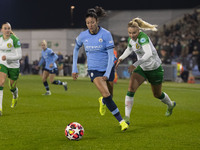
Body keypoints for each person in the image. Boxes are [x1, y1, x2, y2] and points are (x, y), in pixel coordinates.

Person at [72, 6, 129, 131]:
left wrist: (108, 72)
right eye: (87, 23)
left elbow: (110, 56)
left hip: (108, 67)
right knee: (106, 93)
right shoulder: (83, 36)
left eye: (92, 22)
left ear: (97, 21)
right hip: (94, 69)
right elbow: (76, 49)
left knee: (109, 95)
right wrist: (74, 68)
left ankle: (103, 101)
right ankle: (121, 121)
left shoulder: (106, 34)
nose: (90, 25)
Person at [116, 18, 176, 125]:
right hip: (142, 68)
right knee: (130, 89)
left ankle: (170, 104)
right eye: (129, 33)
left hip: (154, 69)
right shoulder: (131, 40)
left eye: (134, 33)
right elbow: (129, 49)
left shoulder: (143, 38)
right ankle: (126, 118)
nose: (131, 35)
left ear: (139, 30)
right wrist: (120, 58)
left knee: (157, 94)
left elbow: (148, 54)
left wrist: (135, 64)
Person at [0, 22, 22, 116]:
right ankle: (0, 109)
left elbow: (19, 56)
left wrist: (8, 58)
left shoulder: (15, 40)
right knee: (1, 83)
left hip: (14, 66)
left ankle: (15, 95)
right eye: (5, 28)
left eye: (9, 28)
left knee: (12, 87)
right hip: (3, 64)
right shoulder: (0, 40)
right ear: (2, 30)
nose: (7, 30)